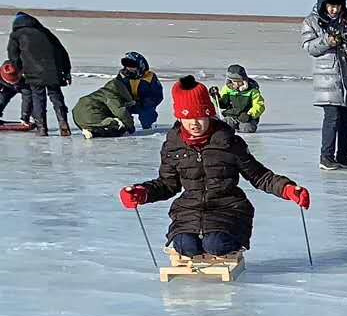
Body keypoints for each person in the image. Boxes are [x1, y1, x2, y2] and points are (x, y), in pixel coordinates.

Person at [119, 77, 307, 259]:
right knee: (186, 247)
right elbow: (168, 184)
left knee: (215, 245)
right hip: (189, 210)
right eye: (187, 117)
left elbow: (259, 176)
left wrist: (287, 189)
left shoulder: (229, 143)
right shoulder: (173, 146)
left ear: (208, 114)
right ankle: (196, 240)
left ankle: (227, 242)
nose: (194, 123)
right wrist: (142, 192)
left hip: (228, 208)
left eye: (199, 116)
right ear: (179, 117)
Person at [302, 0, 347, 171]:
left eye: (337, 5)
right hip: (327, 79)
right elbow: (309, 47)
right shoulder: (311, 22)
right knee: (332, 118)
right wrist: (328, 40)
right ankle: (326, 157)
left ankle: (344, 156)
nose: (334, 10)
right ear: (323, 4)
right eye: (331, 6)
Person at [7, 12, 72, 137]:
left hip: (33, 72)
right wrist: (67, 71)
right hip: (53, 71)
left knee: (38, 98)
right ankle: (64, 124)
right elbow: (62, 51)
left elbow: (13, 57)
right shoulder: (45, 32)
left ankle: (42, 129)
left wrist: (19, 71)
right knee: (56, 96)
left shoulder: (16, 35)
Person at [72, 68, 141, 139]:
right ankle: (93, 130)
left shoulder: (106, 91)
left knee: (101, 120)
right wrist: (130, 127)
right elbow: (121, 111)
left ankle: (89, 129)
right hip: (90, 115)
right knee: (119, 126)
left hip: (78, 118)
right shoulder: (112, 95)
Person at [217, 64, 267, 133]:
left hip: (246, 117)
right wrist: (216, 96)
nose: (237, 84)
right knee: (222, 126)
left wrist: (249, 115)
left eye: (239, 81)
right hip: (232, 115)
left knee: (247, 129)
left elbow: (259, 105)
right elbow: (223, 104)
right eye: (234, 81)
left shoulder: (252, 90)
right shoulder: (227, 89)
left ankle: (243, 126)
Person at [122, 52, 164, 132]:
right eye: (127, 65)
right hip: (127, 104)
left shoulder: (150, 77)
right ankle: (125, 128)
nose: (129, 68)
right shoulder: (122, 76)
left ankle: (148, 129)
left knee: (147, 114)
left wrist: (144, 103)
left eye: (132, 65)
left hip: (144, 104)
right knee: (119, 111)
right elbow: (114, 91)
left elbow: (157, 95)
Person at [0, 60, 21, 124]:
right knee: (2, 99)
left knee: (31, 98)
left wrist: (25, 117)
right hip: (6, 87)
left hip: (23, 84)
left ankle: (36, 119)